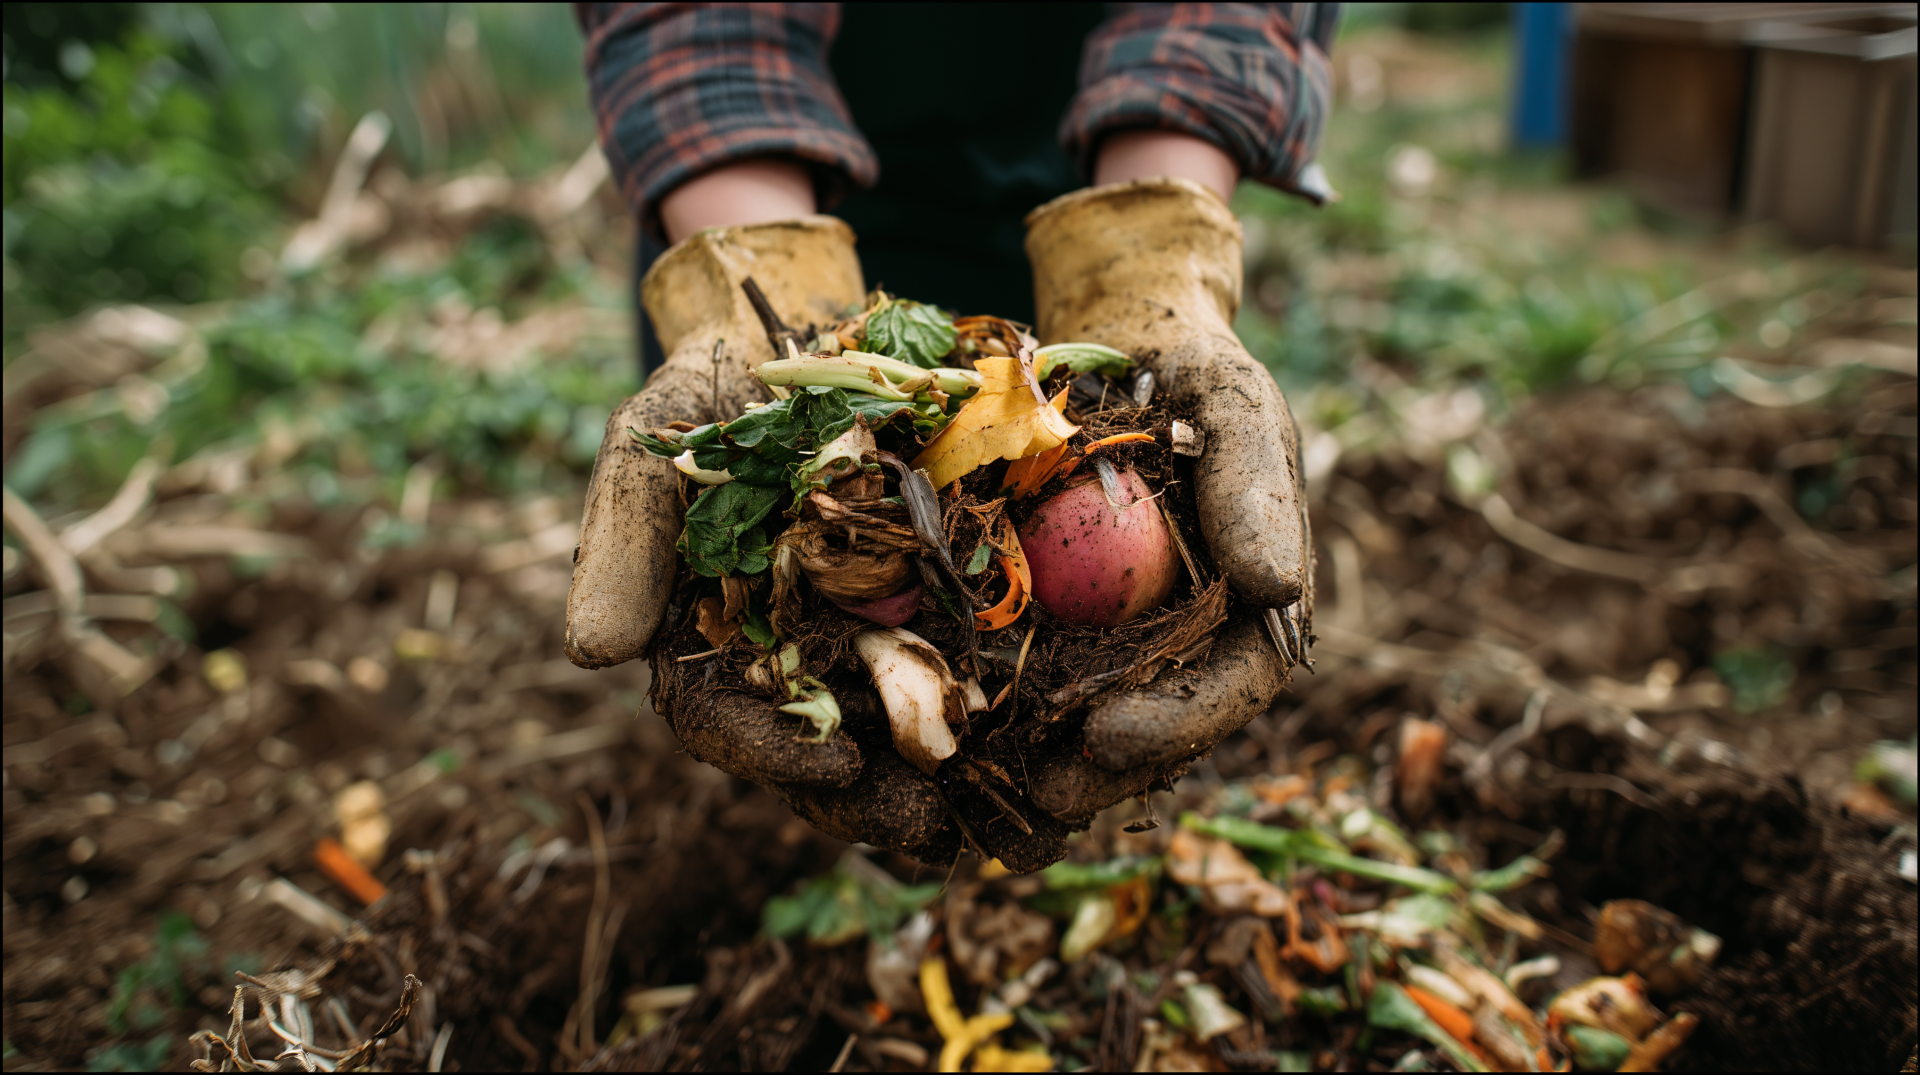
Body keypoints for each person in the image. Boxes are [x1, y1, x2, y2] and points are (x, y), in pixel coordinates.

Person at [565, 2, 1335, 870]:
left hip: (1085, 151)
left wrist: (1150, 246)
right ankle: (812, 870)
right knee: (786, 713)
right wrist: (751, 252)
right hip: (760, 169)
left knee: (1051, 399)